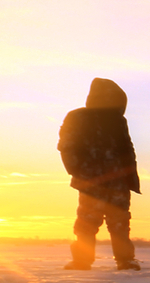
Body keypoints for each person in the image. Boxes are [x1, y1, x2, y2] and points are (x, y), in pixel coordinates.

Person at [58, 77, 142, 270]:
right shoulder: (77, 117)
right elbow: (66, 146)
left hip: (118, 181)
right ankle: (81, 260)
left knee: (120, 221)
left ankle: (125, 260)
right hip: (91, 181)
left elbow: (127, 149)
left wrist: (130, 177)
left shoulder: (118, 121)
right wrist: (79, 171)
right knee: (87, 220)